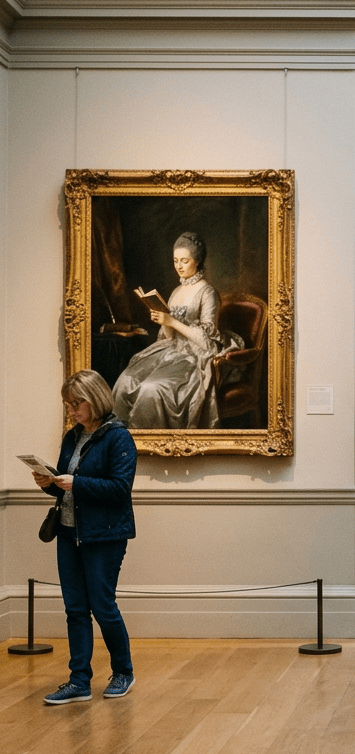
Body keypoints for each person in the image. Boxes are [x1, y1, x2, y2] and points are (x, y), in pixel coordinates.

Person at [33, 370, 137, 704]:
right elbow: (67, 487)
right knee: (75, 609)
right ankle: (79, 681)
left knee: (103, 607)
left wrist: (76, 483)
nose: (72, 411)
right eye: (69, 404)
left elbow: (120, 490)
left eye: (76, 404)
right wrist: (50, 484)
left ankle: (123, 672)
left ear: (94, 400)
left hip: (104, 536)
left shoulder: (118, 438)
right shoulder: (72, 436)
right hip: (68, 532)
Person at [112, 232, 242, 428]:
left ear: (197, 261)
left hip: (193, 356)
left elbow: (208, 342)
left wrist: (171, 321)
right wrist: (162, 319)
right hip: (170, 350)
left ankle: (154, 444)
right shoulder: (176, 292)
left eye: (184, 261)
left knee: (151, 389)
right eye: (175, 261)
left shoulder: (208, 292)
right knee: (125, 381)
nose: (179, 266)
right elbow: (168, 337)